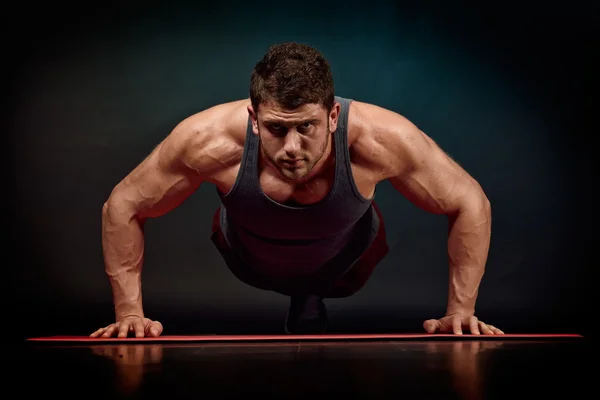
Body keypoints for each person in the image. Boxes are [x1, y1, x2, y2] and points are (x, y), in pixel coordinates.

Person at [90, 42, 504, 339]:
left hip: (347, 259)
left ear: (333, 115)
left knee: (340, 264)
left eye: (305, 126)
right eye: (276, 128)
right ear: (254, 119)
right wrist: (130, 314)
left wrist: (460, 311)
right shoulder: (207, 140)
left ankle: (309, 292)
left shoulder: (382, 138)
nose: (291, 148)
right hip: (250, 257)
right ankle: (302, 291)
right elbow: (123, 204)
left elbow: (469, 201)